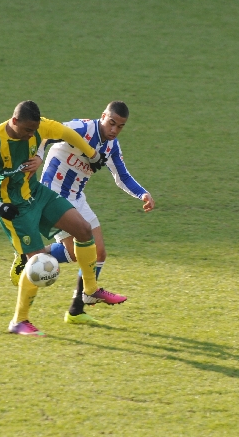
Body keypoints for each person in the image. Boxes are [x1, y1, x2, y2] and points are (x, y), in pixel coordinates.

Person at [0, 100, 125, 336]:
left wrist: (92, 154)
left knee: (83, 230)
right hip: (13, 205)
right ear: (14, 121)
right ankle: (19, 321)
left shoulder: (40, 127)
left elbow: (65, 133)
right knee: (39, 265)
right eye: (27, 131)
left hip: (38, 193)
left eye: (34, 130)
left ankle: (90, 289)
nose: (32, 135)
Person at [35, 101, 154, 319]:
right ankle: (31, 256)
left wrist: (143, 193)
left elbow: (122, 176)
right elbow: (47, 133)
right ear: (103, 116)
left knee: (97, 253)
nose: (114, 130)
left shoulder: (112, 146)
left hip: (77, 197)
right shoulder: (81, 129)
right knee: (80, 250)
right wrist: (38, 157)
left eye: (120, 127)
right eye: (112, 123)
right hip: (53, 194)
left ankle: (77, 308)